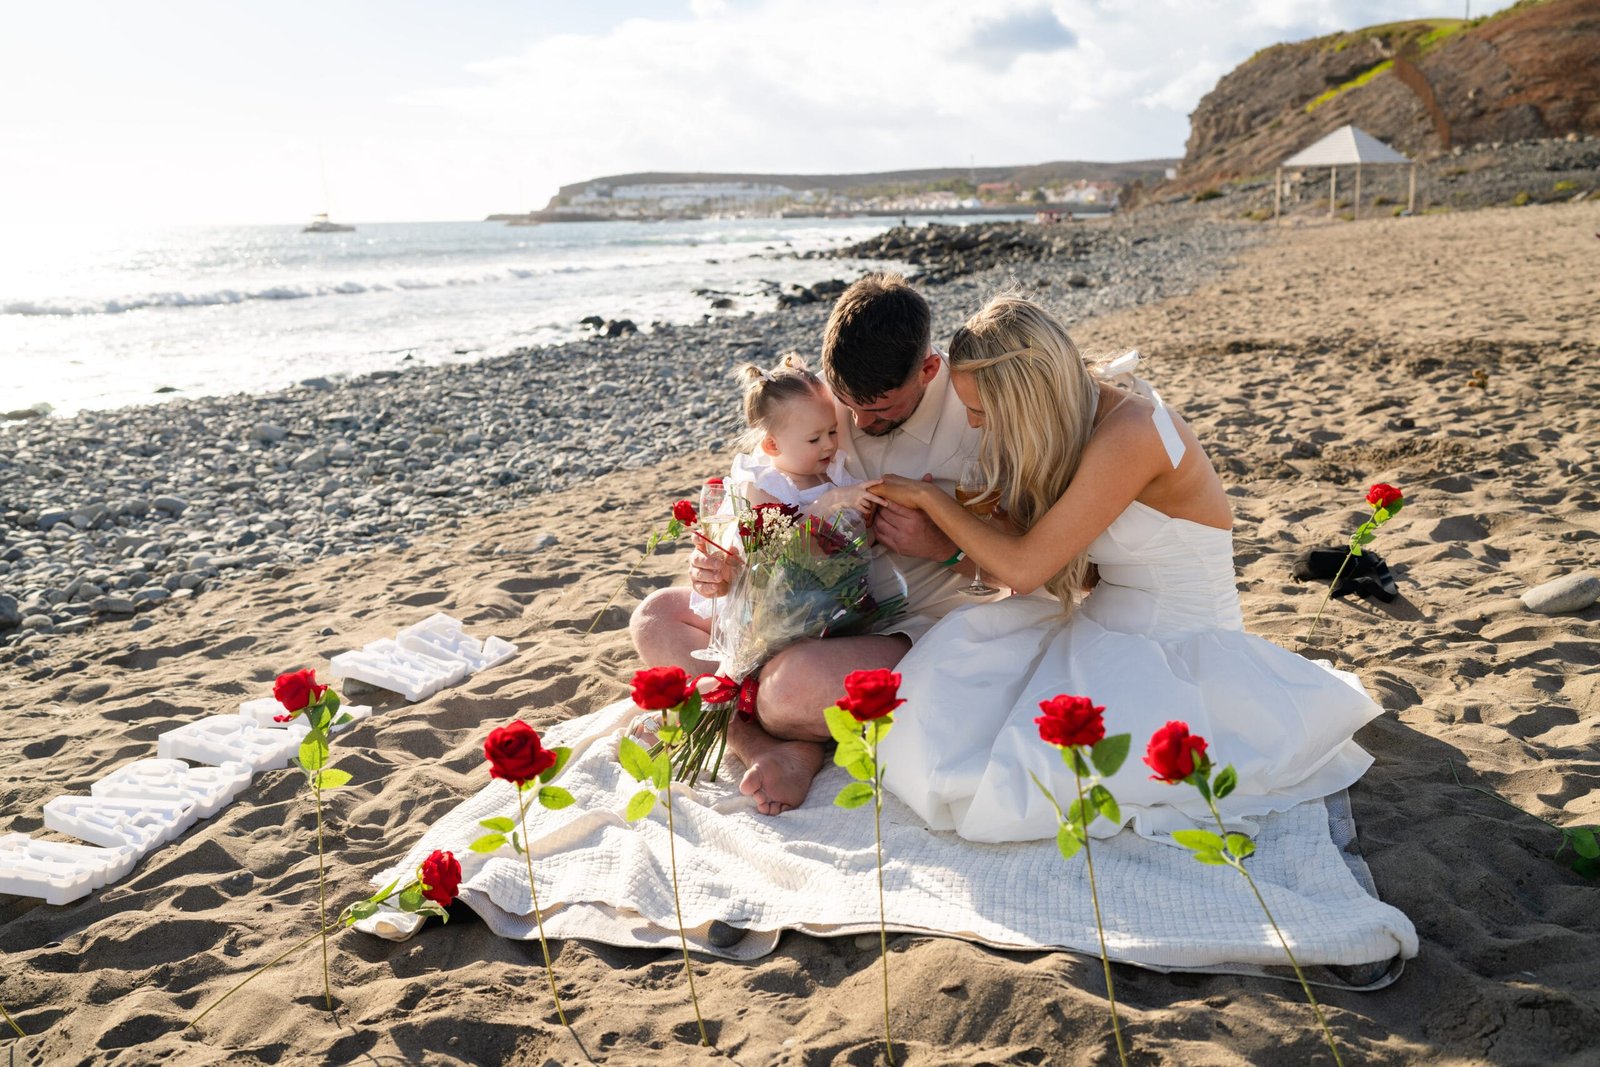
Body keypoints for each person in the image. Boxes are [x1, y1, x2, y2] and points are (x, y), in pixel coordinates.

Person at [867, 295, 1381, 842]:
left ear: (1028, 398)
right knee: (949, 679)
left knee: (1030, 773)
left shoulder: (1134, 432)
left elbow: (1024, 569)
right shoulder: (1073, 424)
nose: (976, 426)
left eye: (984, 412)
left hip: (1182, 644)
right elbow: (1073, 575)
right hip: (1102, 624)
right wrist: (957, 540)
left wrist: (934, 506)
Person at [630, 273, 1001, 814]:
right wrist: (725, 559)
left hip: (900, 620)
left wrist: (944, 545)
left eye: (879, 411)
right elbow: (769, 477)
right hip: (787, 604)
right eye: (845, 406)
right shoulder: (830, 398)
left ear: (927, 370)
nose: (854, 425)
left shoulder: (977, 415)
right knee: (655, 616)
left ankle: (776, 723)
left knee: (788, 689)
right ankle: (765, 744)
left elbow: (1025, 566)